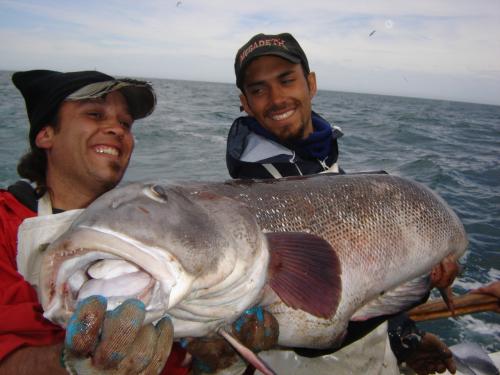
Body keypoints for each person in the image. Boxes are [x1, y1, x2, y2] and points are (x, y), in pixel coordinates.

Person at [225, 32, 459, 375]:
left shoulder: (323, 160)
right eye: (258, 90)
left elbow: (366, 274)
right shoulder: (252, 197)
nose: (276, 98)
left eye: (286, 80)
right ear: (245, 102)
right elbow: (319, 324)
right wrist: (420, 286)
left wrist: (404, 339)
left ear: (311, 84)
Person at [0, 69, 188, 374]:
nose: (117, 129)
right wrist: (70, 366)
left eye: (125, 123)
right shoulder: (5, 222)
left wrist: (217, 362)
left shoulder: (161, 233)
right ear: (46, 134)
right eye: (95, 114)